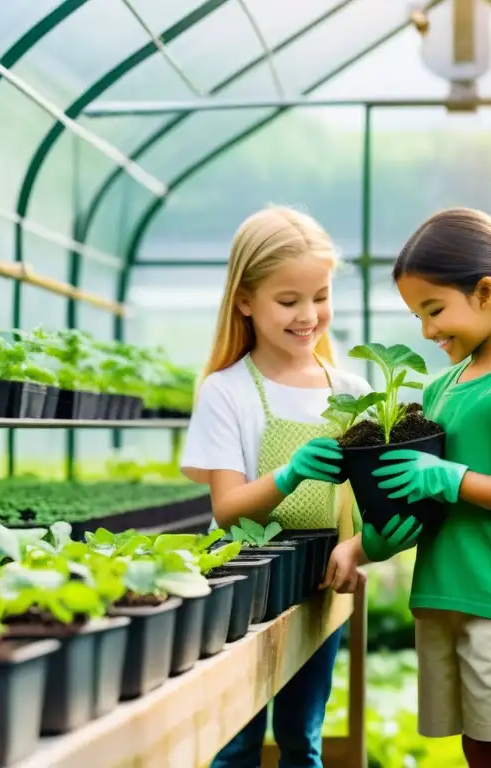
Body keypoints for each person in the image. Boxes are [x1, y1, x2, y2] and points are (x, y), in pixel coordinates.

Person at [340, 207, 491, 768]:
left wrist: (454, 479)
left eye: (434, 310)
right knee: (476, 745)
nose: (427, 331)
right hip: (443, 593)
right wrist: (369, 543)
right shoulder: (445, 385)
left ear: (486, 292)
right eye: (417, 315)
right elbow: (426, 497)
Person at [180, 205, 370, 768]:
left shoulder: (353, 390)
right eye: (288, 301)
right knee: (235, 741)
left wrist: (356, 547)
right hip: (242, 589)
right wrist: (290, 475)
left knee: (301, 740)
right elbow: (229, 508)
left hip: (315, 591)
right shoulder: (227, 391)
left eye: (321, 295)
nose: (308, 314)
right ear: (244, 300)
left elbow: (365, 511)